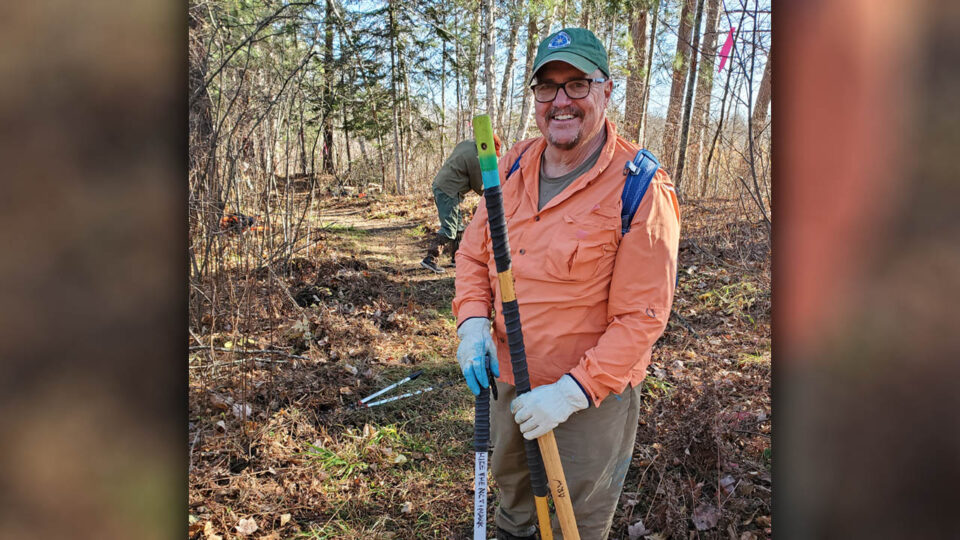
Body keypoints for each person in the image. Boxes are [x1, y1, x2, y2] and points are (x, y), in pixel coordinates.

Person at [452, 28, 680, 540]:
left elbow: (642, 317)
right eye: (547, 87)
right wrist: (470, 322)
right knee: (513, 511)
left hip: (587, 399)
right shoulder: (509, 165)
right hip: (507, 379)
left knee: (571, 525)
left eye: (577, 85)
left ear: (606, 90)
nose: (561, 101)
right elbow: (472, 253)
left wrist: (571, 393)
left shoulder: (640, 187)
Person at [420, 135, 502, 274]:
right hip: (448, 190)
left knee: (458, 227)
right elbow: (478, 185)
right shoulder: (476, 158)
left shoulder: (468, 143)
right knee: (449, 229)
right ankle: (430, 258)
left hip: (445, 187)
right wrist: (495, 198)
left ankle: (456, 259)